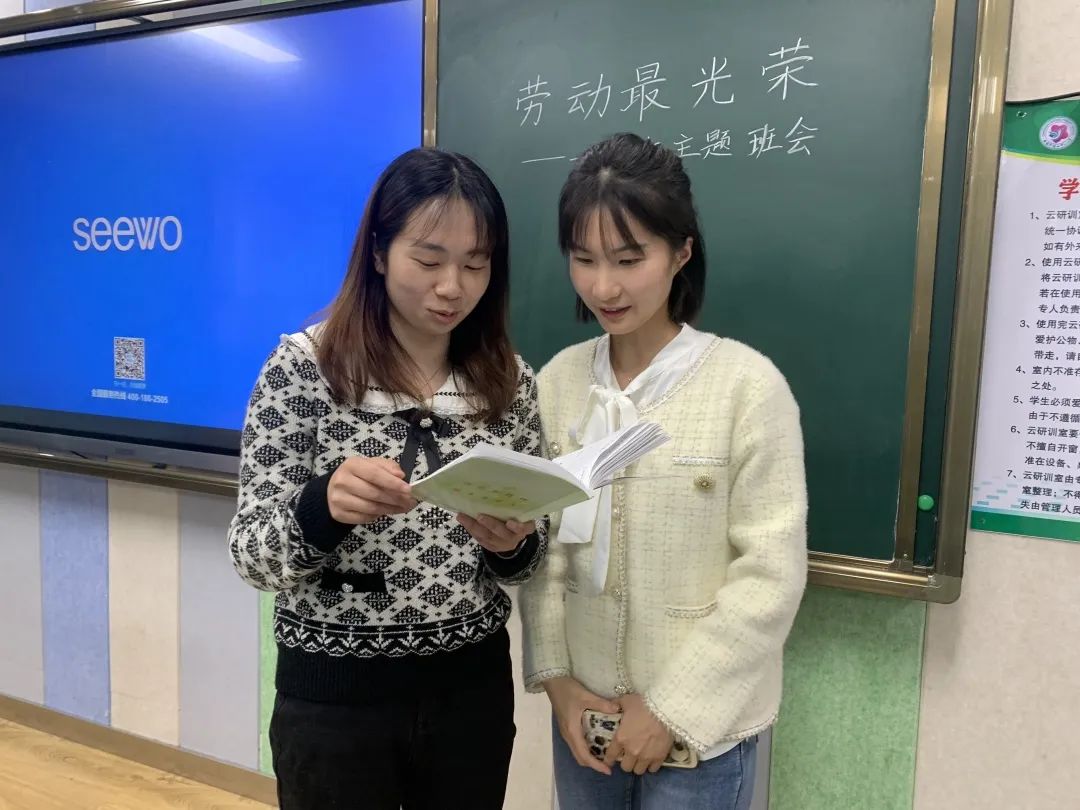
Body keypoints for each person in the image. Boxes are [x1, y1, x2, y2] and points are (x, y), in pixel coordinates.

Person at [228, 147, 547, 810]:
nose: (452, 287)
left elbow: (527, 557)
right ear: (378, 253)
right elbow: (252, 554)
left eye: (476, 264)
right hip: (334, 705)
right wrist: (323, 505)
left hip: (470, 699)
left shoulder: (509, 383)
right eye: (428, 261)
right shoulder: (304, 370)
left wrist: (512, 542)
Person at [520, 133, 807, 810]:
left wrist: (672, 709)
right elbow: (544, 551)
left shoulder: (747, 386)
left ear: (681, 253)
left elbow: (770, 574)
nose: (603, 286)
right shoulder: (558, 382)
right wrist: (557, 682)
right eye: (583, 259)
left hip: (699, 738)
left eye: (629, 259)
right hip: (583, 719)